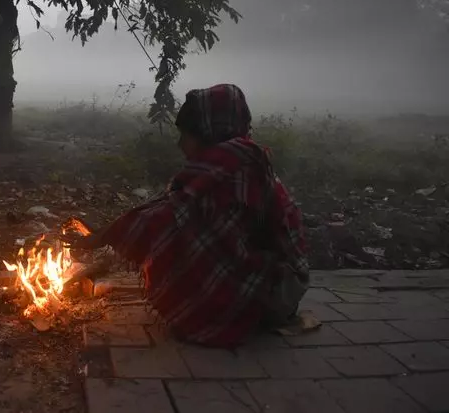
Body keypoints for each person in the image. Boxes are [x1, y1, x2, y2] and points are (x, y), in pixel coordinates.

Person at [66, 84, 308, 347]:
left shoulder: (235, 171)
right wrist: (109, 231)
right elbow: (171, 207)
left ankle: (216, 315)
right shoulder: (236, 161)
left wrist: (104, 236)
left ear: (209, 134)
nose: (180, 143)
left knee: (185, 237)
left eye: (186, 135)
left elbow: (168, 218)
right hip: (278, 282)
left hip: (276, 290)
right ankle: (222, 306)